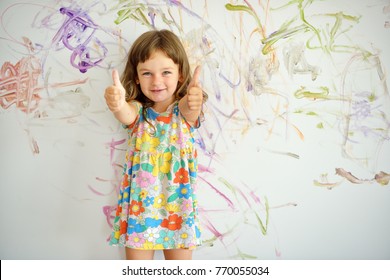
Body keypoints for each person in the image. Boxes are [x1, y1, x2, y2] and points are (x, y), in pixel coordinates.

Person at [105, 29, 207, 260]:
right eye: (147, 73)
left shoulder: (183, 111)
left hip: (178, 209)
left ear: (180, 75)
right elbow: (125, 113)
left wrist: (195, 100)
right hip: (140, 211)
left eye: (166, 72)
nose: (157, 81)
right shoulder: (138, 113)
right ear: (137, 78)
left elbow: (190, 110)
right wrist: (117, 103)